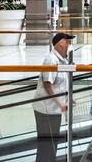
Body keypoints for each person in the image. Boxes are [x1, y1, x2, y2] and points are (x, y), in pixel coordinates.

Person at [32, 32, 75, 162]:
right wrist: (60, 103)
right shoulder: (51, 60)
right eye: (69, 42)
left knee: (51, 145)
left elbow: (62, 83)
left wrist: (68, 98)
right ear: (61, 44)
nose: (70, 45)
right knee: (47, 146)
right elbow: (48, 85)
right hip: (46, 111)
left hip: (54, 110)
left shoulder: (63, 60)